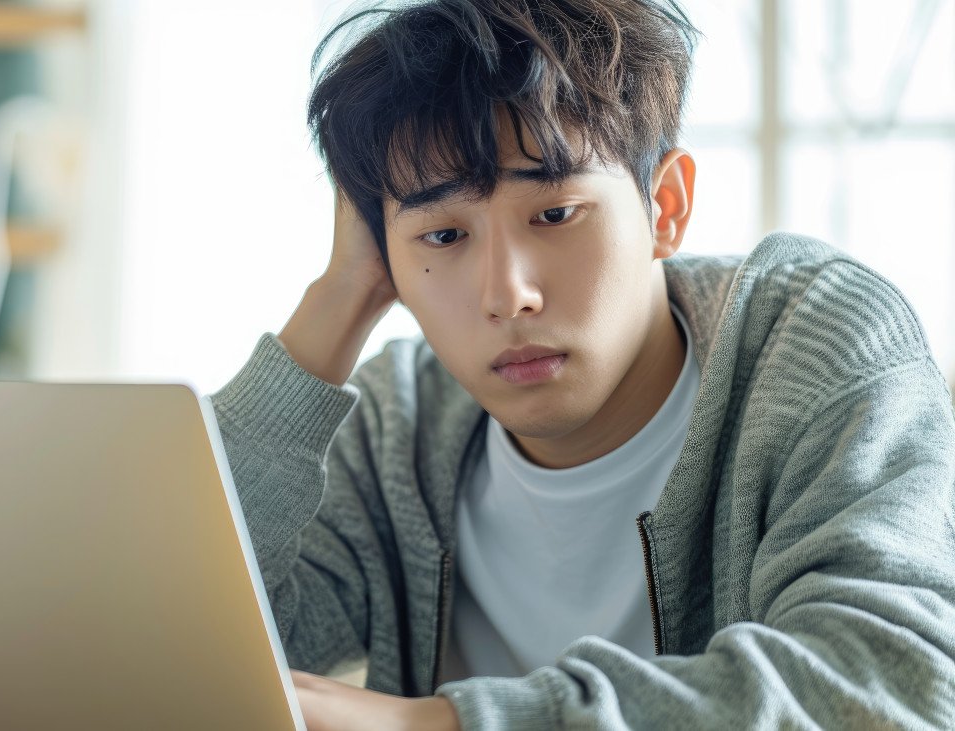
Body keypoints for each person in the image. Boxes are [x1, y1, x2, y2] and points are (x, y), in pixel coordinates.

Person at [206, 0, 955, 728]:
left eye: (555, 214)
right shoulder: (397, 429)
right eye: (442, 237)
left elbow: (892, 681)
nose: (508, 295)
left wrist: (446, 723)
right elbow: (180, 639)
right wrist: (339, 296)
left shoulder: (814, 346)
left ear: (665, 207)